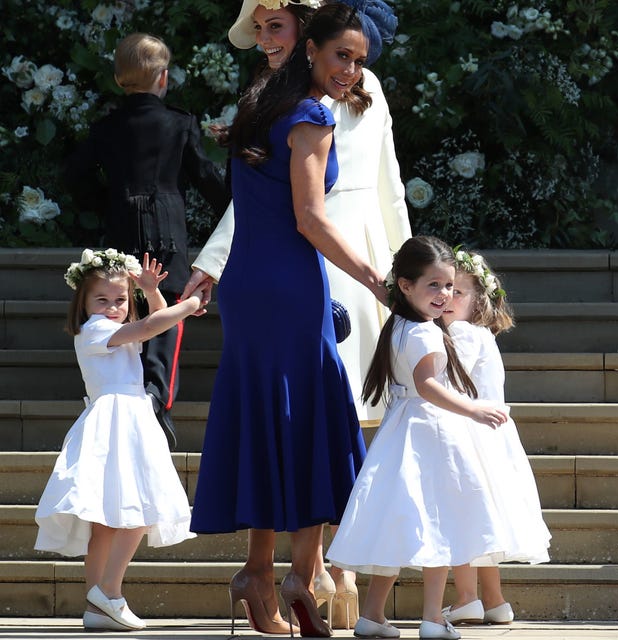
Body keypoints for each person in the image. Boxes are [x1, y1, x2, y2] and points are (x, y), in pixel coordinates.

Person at [182, 0, 410, 628]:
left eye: (359, 61)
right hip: (290, 280)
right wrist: (374, 276)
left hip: (251, 283)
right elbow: (310, 218)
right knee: (315, 421)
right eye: (342, 56)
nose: (351, 71)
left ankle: (260, 574)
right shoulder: (310, 114)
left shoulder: (260, 104)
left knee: (267, 416)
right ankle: (299, 579)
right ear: (312, 48)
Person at [326, 235, 537, 640]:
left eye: (449, 287)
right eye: (434, 286)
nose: (444, 295)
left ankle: (371, 614)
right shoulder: (425, 331)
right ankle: (432, 619)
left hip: (402, 429)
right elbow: (428, 385)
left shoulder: (401, 323)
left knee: (398, 521)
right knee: (438, 523)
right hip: (432, 429)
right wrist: (473, 407)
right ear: (405, 287)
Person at [65, 33, 230, 449]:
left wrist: (106, 204)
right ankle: (157, 397)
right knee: (166, 318)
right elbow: (207, 179)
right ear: (163, 77)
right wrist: (236, 204)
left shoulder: (105, 127)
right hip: (168, 234)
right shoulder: (179, 122)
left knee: (126, 313)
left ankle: (136, 395)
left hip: (121, 233)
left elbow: (74, 177)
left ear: (121, 79)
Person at [34, 249, 208, 632]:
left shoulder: (115, 330)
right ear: (84, 303)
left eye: (120, 300)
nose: (112, 307)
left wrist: (150, 291)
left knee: (109, 524)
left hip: (127, 418)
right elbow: (150, 328)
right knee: (138, 508)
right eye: (102, 299)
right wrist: (191, 302)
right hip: (117, 419)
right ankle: (109, 592)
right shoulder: (95, 330)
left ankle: (97, 606)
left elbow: (155, 323)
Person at [439, 249, 551, 626]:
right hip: (491, 437)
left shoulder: (461, 334)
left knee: (464, 518)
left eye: (459, 292)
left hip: (470, 435)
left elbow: (447, 383)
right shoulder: (480, 334)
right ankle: (495, 600)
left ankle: (468, 597)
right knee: (483, 522)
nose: (448, 298)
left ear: (478, 301)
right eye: (445, 288)